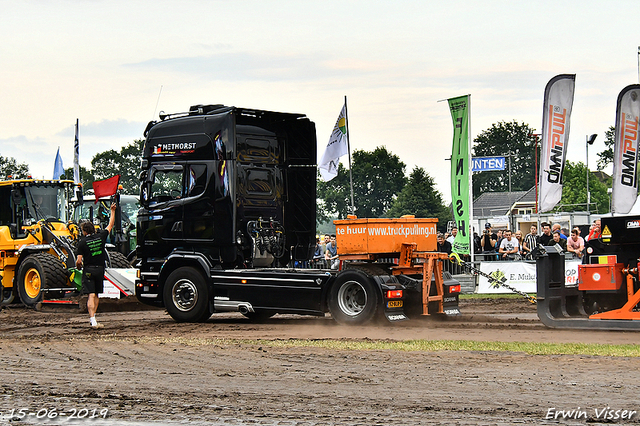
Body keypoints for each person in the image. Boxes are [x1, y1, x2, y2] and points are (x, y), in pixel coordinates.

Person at [76, 202, 116, 329]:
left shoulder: (82, 243)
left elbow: (78, 261)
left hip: (88, 270)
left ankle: (92, 319)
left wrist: (78, 267)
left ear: (84, 231)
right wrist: (113, 211)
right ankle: (95, 319)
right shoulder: (101, 236)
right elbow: (110, 225)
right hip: (100, 270)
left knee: (91, 295)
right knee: (97, 294)